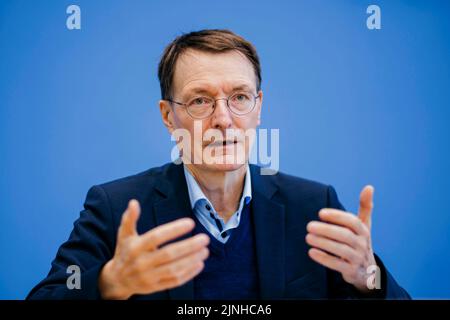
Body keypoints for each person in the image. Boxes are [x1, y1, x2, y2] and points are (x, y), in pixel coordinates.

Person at [27, 29, 410, 300]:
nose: (224, 119)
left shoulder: (312, 205)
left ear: (258, 108)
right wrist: (108, 285)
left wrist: (368, 278)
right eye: (199, 101)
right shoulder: (116, 207)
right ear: (167, 116)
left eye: (239, 97)